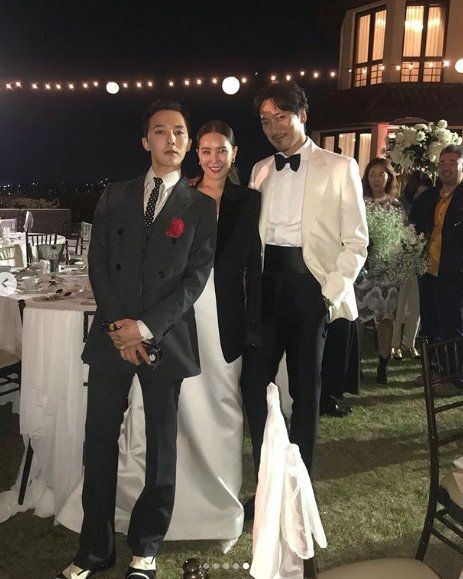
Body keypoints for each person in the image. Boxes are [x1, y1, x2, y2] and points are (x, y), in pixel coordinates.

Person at [56, 100, 217, 579]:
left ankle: (146, 547)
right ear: (146, 141)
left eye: (180, 132)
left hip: (164, 339)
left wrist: (144, 329)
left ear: (188, 142)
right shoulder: (115, 195)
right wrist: (119, 329)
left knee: (162, 447)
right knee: (99, 441)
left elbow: (194, 279)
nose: (172, 139)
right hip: (112, 337)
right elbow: (99, 264)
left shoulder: (201, 206)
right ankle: (94, 548)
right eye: (161, 131)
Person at [240, 81, 368, 514]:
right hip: (266, 290)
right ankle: (268, 482)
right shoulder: (260, 170)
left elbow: (357, 242)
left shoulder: (339, 167)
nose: (274, 128)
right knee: (253, 386)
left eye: (282, 117)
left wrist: (328, 295)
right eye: (265, 121)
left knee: (306, 393)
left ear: (303, 116)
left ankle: (297, 492)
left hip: (310, 289)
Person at [410, 144, 463, 343]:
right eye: (442, 163)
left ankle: (455, 364)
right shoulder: (428, 197)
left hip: (456, 277)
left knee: (454, 329)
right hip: (429, 274)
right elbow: (414, 228)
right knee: (431, 328)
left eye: (452, 162)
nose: (446, 167)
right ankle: (433, 363)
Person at [355, 157, 402, 384]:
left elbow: (402, 235)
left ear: (389, 177)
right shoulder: (358, 203)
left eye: (380, 174)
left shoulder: (396, 206)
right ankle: (356, 364)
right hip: (362, 270)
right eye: (372, 174)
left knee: (386, 319)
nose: (376, 179)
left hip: (387, 271)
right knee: (359, 319)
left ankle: (383, 364)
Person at [391, 171, 433, 361]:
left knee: (416, 304)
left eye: (424, 193)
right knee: (399, 304)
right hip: (400, 258)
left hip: (419, 258)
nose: (420, 197)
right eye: (417, 193)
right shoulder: (400, 206)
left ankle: (409, 342)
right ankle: (394, 344)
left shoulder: (430, 207)